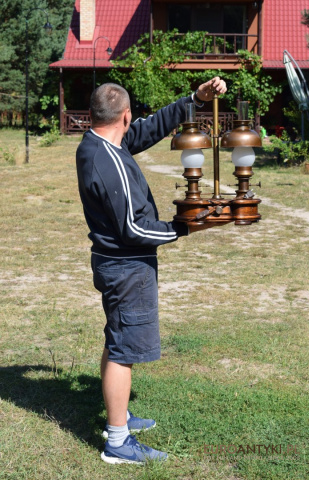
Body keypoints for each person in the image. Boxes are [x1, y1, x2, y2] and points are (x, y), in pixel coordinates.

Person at [76, 77, 227, 465]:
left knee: (117, 338)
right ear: (125, 115)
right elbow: (133, 229)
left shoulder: (103, 141)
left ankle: (120, 413)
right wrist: (187, 226)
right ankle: (118, 442)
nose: (135, 124)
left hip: (118, 264)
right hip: (126, 267)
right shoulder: (107, 163)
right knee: (125, 350)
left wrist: (194, 99)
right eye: (132, 119)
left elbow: (149, 129)